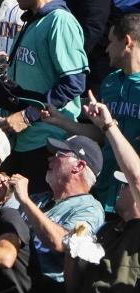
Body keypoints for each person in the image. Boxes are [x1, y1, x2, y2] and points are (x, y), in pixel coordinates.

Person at [25, 99, 140, 293]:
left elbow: (136, 177)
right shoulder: (108, 231)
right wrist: (73, 257)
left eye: (124, 186)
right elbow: (74, 290)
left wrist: (108, 126)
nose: (120, 189)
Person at [41, 14, 140, 217]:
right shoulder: (111, 82)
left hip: (132, 198)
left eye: (111, 42)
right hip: (103, 190)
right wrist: (60, 120)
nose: (106, 48)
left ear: (127, 42)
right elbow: (101, 134)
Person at [0, 0, 88, 195]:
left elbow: (73, 84)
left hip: (47, 144)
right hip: (21, 139)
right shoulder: (35, 20)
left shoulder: (60, 21)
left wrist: (28, 116)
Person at [11, 135, 105, 293]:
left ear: (79, 166)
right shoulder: (38, 199)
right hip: (12, 281)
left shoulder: (89, 208)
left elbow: (63, 242)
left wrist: (24, 200)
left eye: (59, 154)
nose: (50, 158)